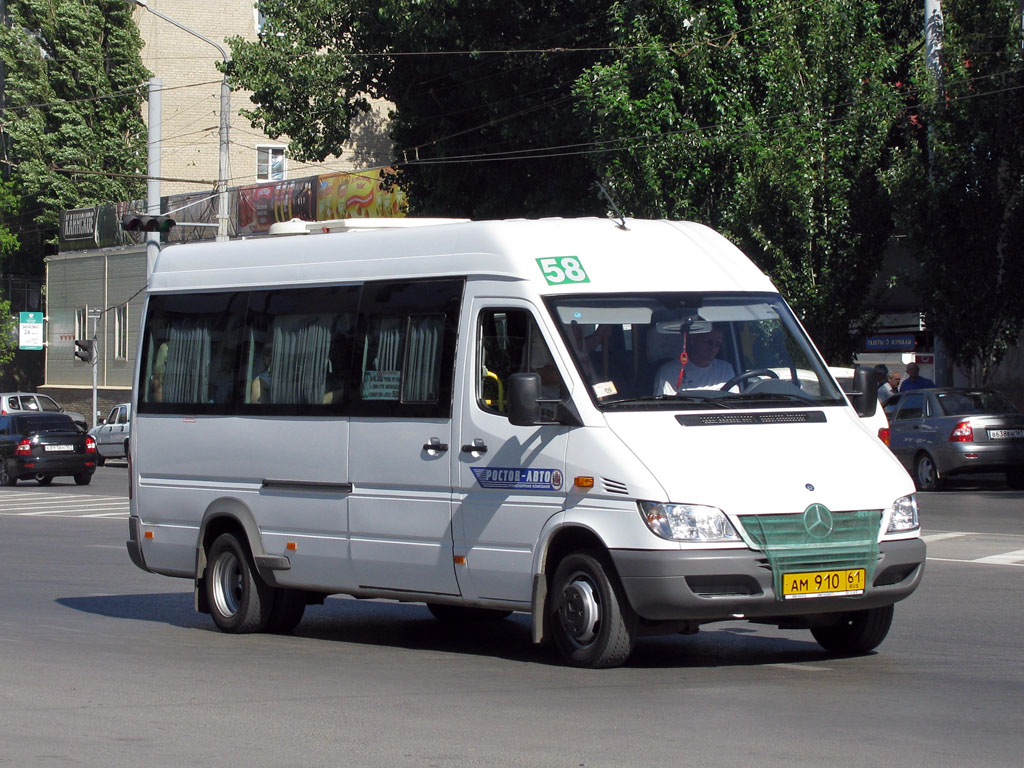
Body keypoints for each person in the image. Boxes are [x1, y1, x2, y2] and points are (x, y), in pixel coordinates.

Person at [653, 326, 735, 394]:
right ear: (694, 339)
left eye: (718, 344)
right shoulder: (670, 372)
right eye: (709, 342)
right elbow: (665, 408)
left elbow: (735, 403)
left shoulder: (725, 369)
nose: (713, 348)